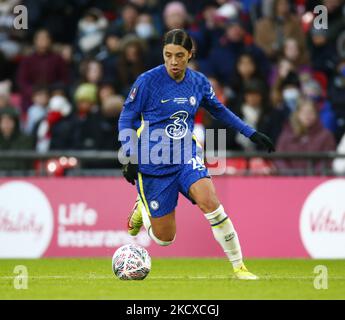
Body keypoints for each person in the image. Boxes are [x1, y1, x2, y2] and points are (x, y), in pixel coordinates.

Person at [118, 29, 274, 280]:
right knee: (164, 239)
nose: (173, 62)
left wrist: (250, 132)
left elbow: (220, 111)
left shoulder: (199, 82)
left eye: (179, 55)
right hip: (154, 162)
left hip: (186, 155)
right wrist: (130, 155)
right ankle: (142, 208)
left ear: (190, 54)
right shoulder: (147, 82)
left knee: (211, 202)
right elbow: (126, 118)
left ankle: (239, 267)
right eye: (168, 55)